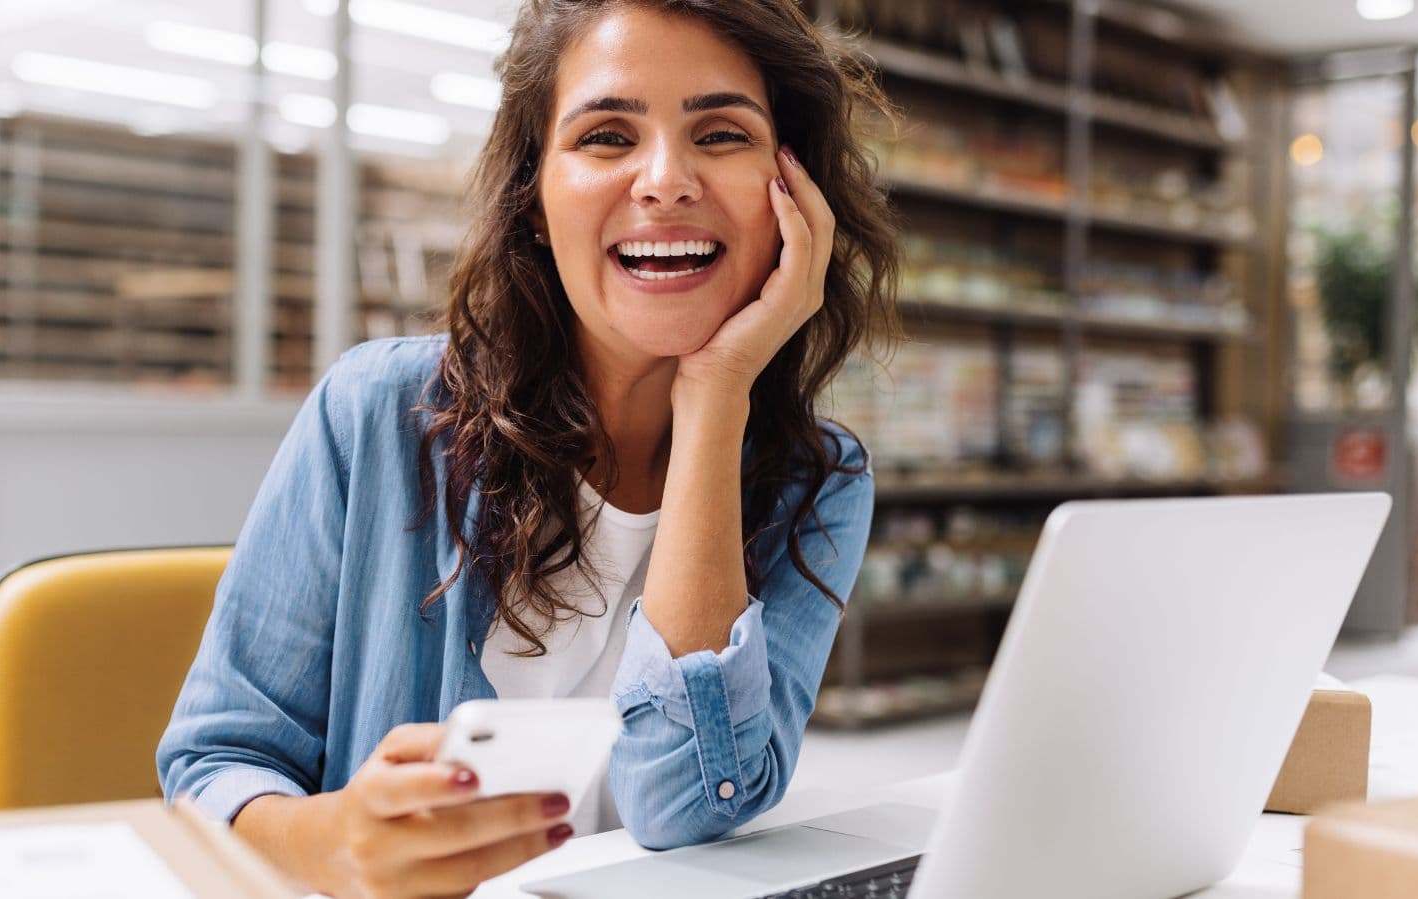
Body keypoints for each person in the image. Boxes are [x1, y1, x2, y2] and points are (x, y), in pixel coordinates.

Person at [157, 0, 900, 895]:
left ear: (795, 195)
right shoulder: (380, 411)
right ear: (536, 204)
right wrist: (336, 840)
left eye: (721, 134)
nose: (666, 180)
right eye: (606, 137)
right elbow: (210, 770)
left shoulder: (818, 481)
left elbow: (690, 802)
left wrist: (714, 399)